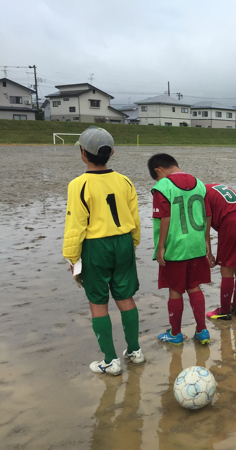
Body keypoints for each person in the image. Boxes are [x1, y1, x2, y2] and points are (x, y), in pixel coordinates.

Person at [63, 126, 143, 375]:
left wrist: (72, 256)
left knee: (98, 302)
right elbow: (135, 217)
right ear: (112, 153)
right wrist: (133, 243)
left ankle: (110, 360)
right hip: (123, 243)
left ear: (83, 153)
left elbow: (75, 223)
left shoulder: (79, 184)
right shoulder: (125, 181)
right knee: (125, 296)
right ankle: (134, 351)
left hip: (95, 246)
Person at [148, 153, 211, 345]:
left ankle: (175, 334)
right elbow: (208, 215)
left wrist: (160, 247)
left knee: (175, 290)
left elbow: (164, 217)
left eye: (157, 176)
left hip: (175, 247)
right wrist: (207, 242)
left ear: (158, 170)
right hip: (196, 245)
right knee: (194, 286)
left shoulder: (162, 186)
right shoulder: (200, 184)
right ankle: (202, 331)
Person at [203, 183, 236, 320]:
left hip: (231, 223)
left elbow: (206, 229)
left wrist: (209, 254)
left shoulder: (201, 194)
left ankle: (224, 311)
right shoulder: (215, 186)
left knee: (227, 269)